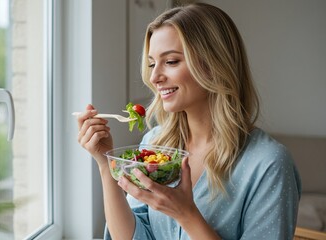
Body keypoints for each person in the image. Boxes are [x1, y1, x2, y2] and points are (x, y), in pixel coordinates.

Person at [76, 3, 301, 239]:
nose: (154, 77)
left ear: (215, 65)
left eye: (171, 61)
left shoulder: (268, 164)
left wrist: (187, 215)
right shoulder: (154, 145)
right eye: (152, 63)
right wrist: (105, 164)